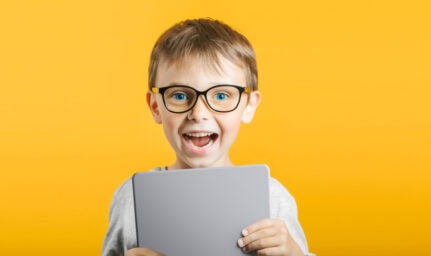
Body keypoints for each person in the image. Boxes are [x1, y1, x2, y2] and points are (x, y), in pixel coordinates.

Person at [101, 18, 312, 256]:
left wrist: (295, 254)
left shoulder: (273, 198)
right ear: (155, 106)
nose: (199, 114)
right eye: (180, 95)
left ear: (249, 106)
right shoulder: (131, 199)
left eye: (221, 96)